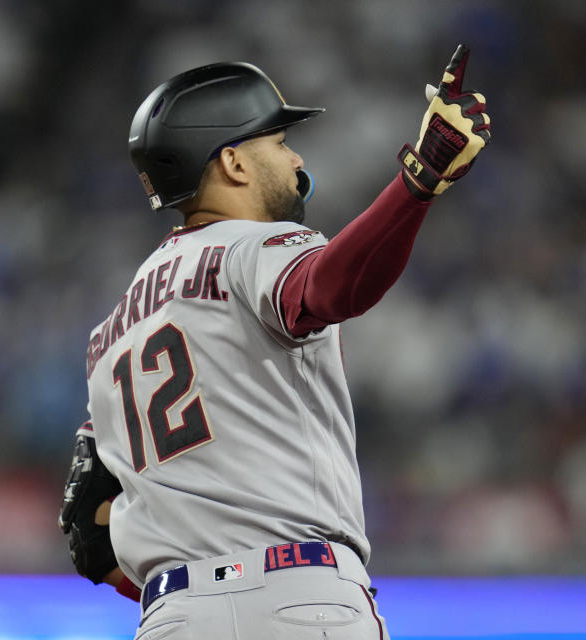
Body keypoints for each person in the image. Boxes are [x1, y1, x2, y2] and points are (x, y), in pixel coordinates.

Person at [59, 45, 490, 639]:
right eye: (279, 143)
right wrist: (422, 175)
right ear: (233, 162)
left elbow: (89, 532)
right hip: (298, 599)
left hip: (172, 620)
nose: (296, 157)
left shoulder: (107, 339)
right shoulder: (250, 248)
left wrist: (195, 587)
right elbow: (330, 288)